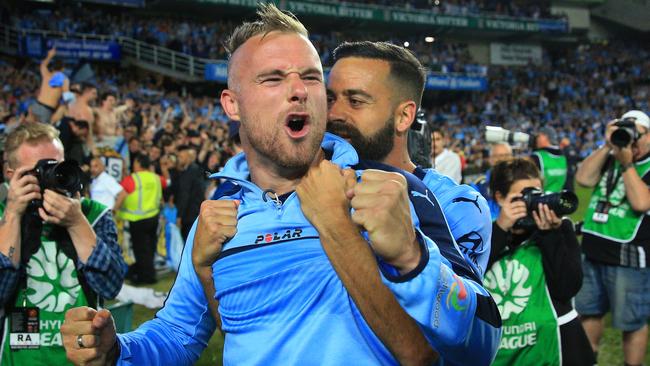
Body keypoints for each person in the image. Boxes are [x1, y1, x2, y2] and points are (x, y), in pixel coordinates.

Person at [61, 5, 496, 365]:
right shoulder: (221, 214)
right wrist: (116, 350)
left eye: (310, 77)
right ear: (232, 104)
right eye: (273, 78)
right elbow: (177, 334)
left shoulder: (391, 193)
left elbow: (482, 343)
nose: (299, 90)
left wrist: (414, 261)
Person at [325, 41, 500, 364]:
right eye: (330, 98)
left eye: (355, 100)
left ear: (404, 116)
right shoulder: (310, 188)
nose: (334, 113)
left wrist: (410, 254)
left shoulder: (457, 205)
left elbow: (464, 338)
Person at [0, 123, 125, 365]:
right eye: (39, 170)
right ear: (11, 174)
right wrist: (14, 214)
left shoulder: (93, 214)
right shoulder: (2, 215)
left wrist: (76, 222)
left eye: (57, 167)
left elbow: (110, 286)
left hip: (84, 358)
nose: (52, 177)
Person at [484, 158, 594, 366]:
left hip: (553, 346)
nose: (533, 202)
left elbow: (567, 288)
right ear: (500, 198)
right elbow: (469, 276)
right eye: (524, 196)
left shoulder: (560, 229)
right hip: (499, 349)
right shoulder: (484, 234)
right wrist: (500, 229)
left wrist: (550, 235)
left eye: (537, 194)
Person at [574, 110, 650, 366]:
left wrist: (627, 163)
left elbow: (641, 202)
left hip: (628, 255)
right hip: (593, 248)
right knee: (589, 312)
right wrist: (607, 145)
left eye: (636, 134)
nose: (630, 139)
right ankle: (588, 359)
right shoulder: (610, 155)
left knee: (632, 322)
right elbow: (582, 179)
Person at [117, 154, 166, 285]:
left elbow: (121, 195)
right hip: (153, 217)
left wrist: (114, 209)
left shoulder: (132, 179)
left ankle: (145, 277)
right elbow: (166, 182)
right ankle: (149, 273)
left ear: (138, 163)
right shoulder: (156, 178)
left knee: (139, 250)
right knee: (149, 248)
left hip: (137, 219)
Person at [471, 142, 514, 220]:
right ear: (491, 159)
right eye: (498, 156)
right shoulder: (479, 186)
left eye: (507, 155)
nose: (503, 159)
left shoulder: (521, 182)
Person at [172, 145, 206, 240]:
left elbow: (184, 195)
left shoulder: (189, 172)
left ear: (188, 158)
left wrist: (179, 216)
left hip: (189, 215)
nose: (178, 160)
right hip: (195, 212)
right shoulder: (194, 169)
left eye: (181, 157)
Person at [32, 48, 69, 124]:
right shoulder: (64, 79)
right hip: (47, 109)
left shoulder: (46, 75)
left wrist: (49, 56)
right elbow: (67, 97)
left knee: (31, 131)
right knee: (44, 134)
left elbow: (43, 65)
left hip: (36, 105)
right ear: (63, 68)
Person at [531, 126, 568, 193]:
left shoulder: (537, 156)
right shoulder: (563, 157)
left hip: (542, 201)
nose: (536, 139)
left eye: (539, 136)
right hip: (558, 199)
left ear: (545, 137)